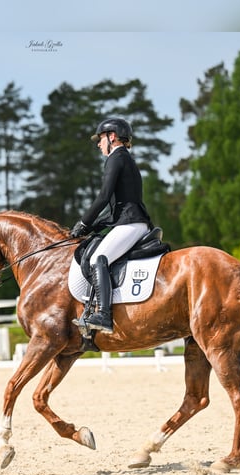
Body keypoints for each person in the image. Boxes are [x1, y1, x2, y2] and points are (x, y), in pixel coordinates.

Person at [69, 118, 152, 333]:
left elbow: (104, 197)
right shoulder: (125, 158)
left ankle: (103, 315)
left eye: (100, 139)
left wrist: (83, 222)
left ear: (111, 136)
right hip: (130, 221)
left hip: (131, 223)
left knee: (99, 258)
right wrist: (95, 225)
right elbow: (118, 204)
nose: (98, 144)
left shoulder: (116, 158)